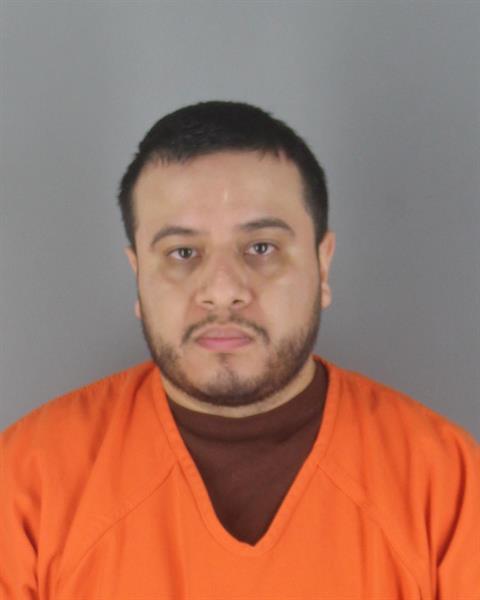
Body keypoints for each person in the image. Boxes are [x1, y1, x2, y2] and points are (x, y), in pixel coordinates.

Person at [1, 101, 478, 599]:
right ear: (138, 274)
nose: (223, 290)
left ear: (323, 265)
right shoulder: (27, 483)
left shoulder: (446, 483)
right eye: (183, 253)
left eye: (261, 248)